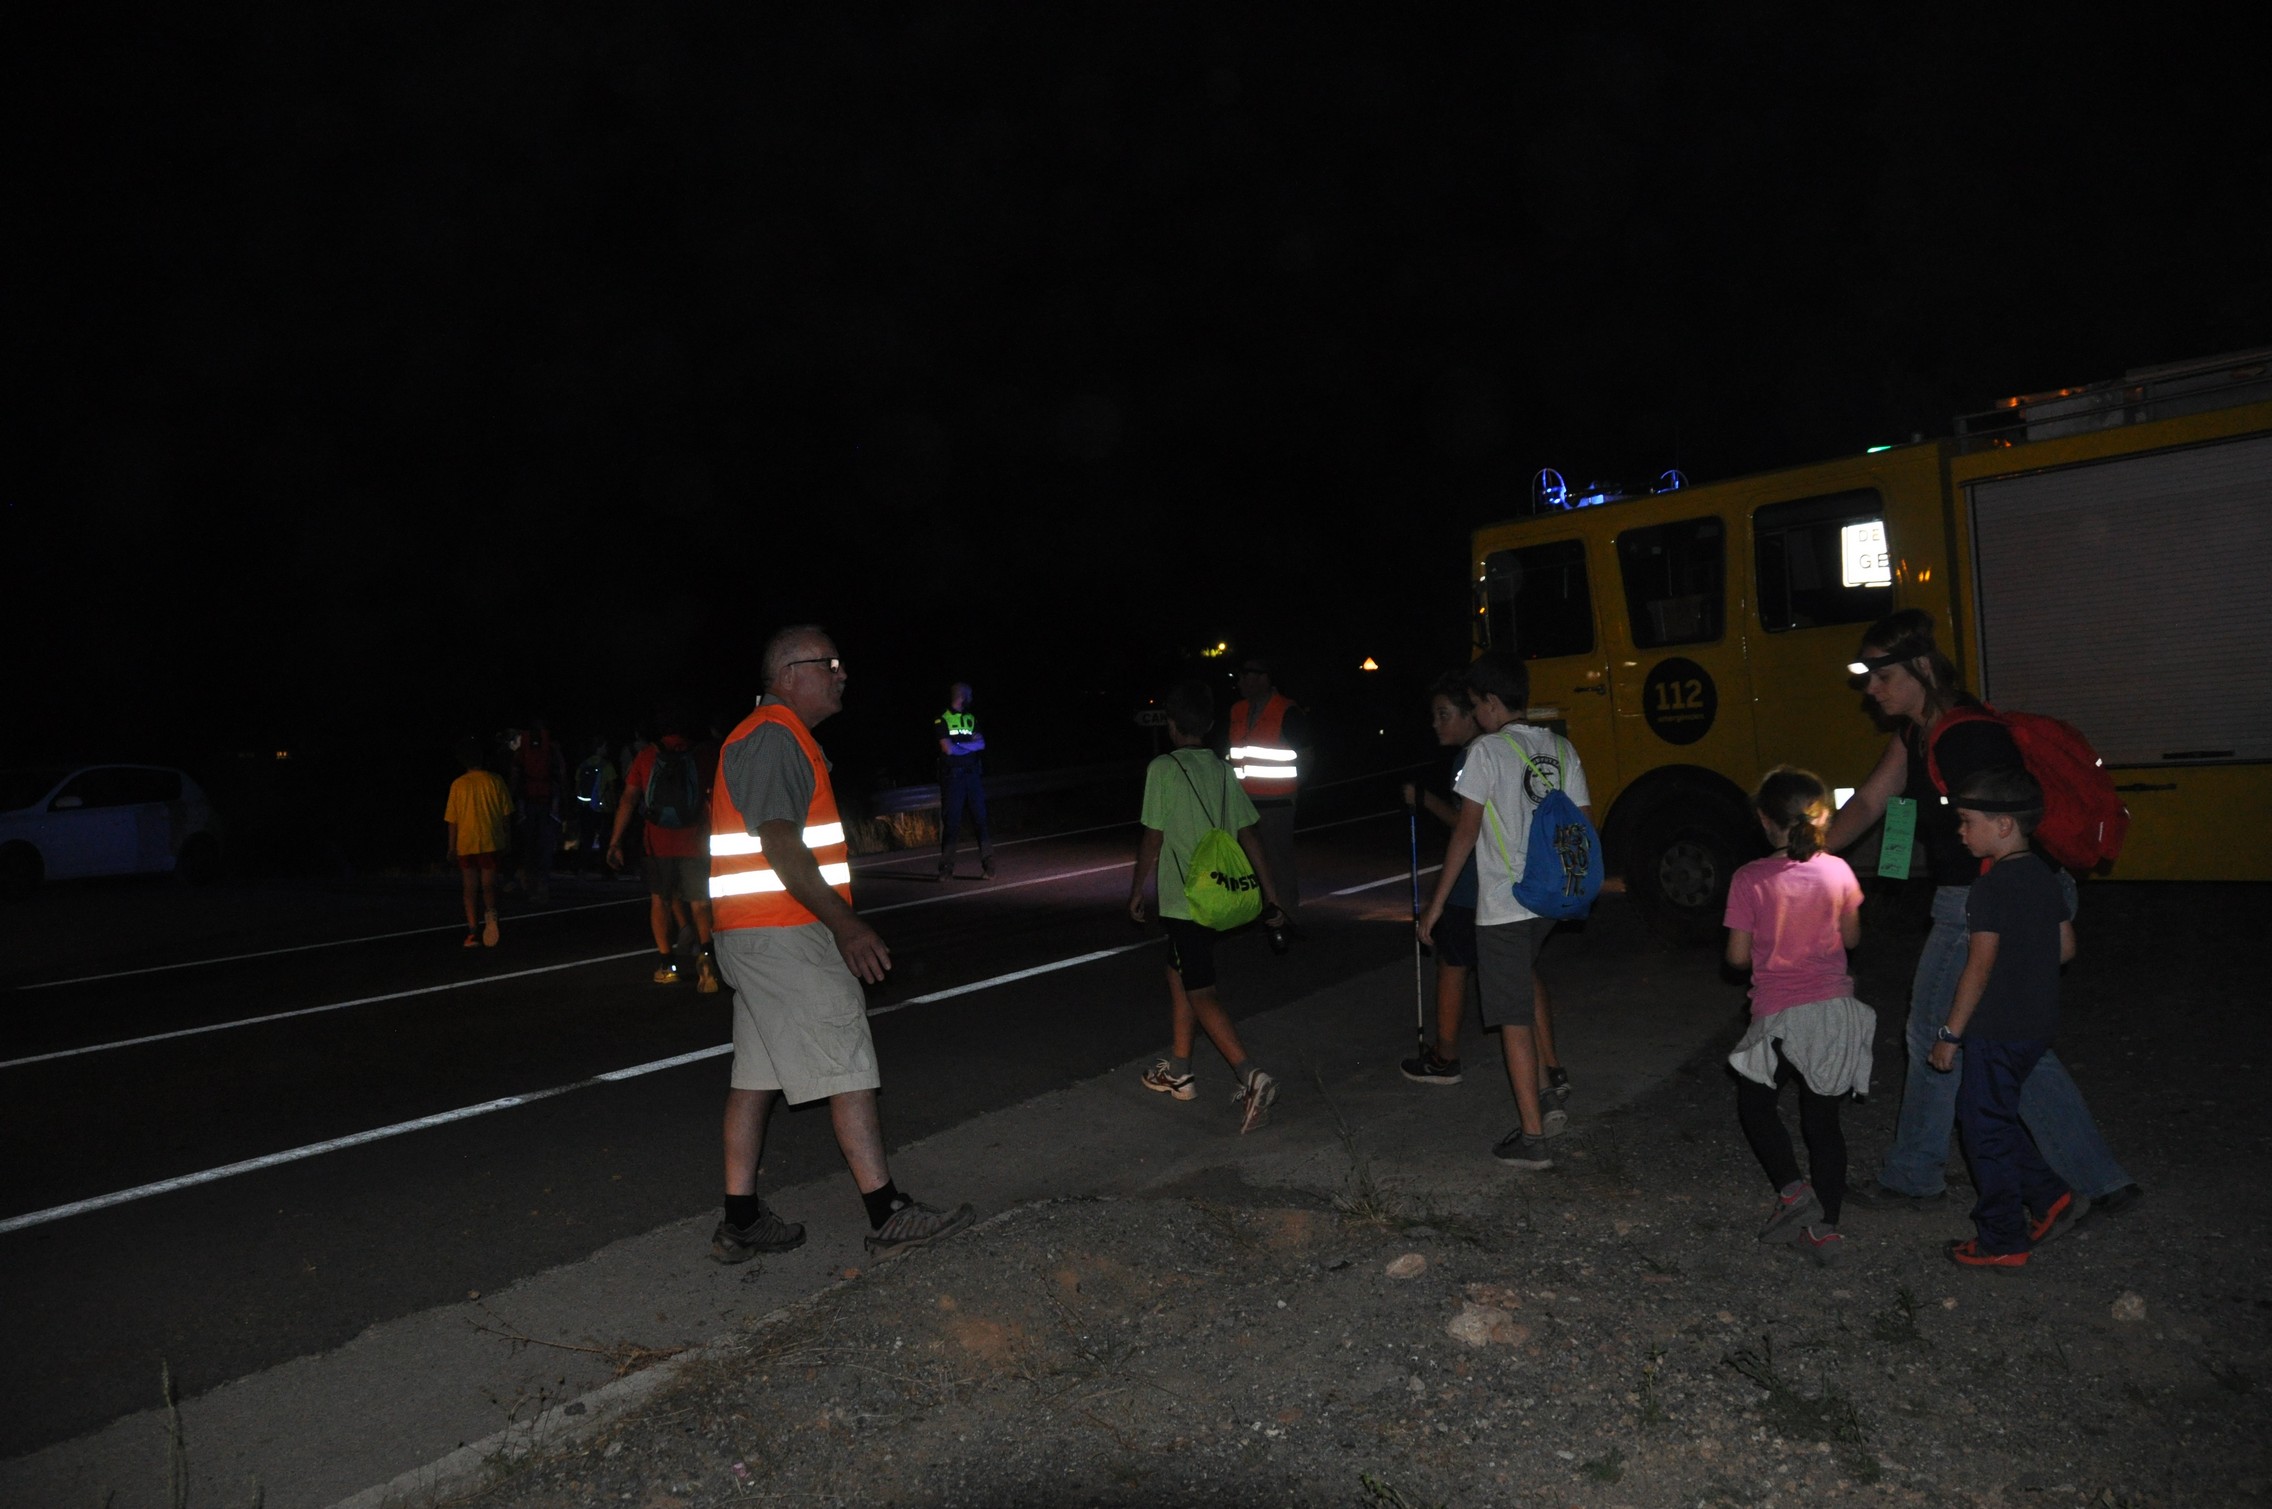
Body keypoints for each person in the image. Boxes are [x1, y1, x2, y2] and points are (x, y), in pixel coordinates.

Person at [1823, 610, 2140, 1214]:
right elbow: (1873, 802)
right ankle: (2102, 1181)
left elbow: (2010, 833)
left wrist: (2004, 912)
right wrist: (1810, 855)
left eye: (1882, 676)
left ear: (1921, 667)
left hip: (1992, 897)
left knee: (1933, 1031)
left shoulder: (1966, 737)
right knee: (2001, 1038)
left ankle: (1913, 1178)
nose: (1871, 690)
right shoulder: (1917, 733)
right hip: (1998, 895)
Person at [706, 625, 974, 1262]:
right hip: (785, 932)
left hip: (756, 934)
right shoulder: (773, 737)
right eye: (829, 664)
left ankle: (741, 1219)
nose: (841, 673)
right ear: (788, 674)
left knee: (756, 1078)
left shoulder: (772, 736)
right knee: (847, 1059)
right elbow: (780, 843)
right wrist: (845, 924)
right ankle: (887, 1213)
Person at [1416, 652, 1587, 1168]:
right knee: (1520, 990)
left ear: (1491, 702)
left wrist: (1436, 906)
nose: (1475, 714)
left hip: (1504, 904)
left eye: (1475, 705)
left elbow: (1465, 833)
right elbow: (1582, 824)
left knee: (1511, 1016)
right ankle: (1548, 1094)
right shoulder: (1561, 747)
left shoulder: (1486, 752)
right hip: (1549, 901)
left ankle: (1532, 1138)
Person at [1930, 766, 2091, 1270]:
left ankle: (2002, 1238)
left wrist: (1950, 1034)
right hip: (2036, 1024)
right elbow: (2065, 948)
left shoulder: (1990, 887)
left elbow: (1978, 967)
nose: (1961, 831)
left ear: (2003, 825)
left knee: (1984, 1131)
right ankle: (2050, 1197)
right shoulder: (2043, 875)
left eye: (1967, 820)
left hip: (1997, 1029)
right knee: (1993, 1119)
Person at [1724, 767, 1874, 1269]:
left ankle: (1792, 1191)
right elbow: (1852, 939)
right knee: (1823, 1122)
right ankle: (1824, 1228)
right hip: (1834, 1013)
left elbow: (1737, 958)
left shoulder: (1749, 878)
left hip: (1782, 1017)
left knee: (1755, 1104)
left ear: (1765, 820)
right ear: (1822, 816)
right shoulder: (1839, 871)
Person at [1129, 679, 1293, 1134]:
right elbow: (1248, 833)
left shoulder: (1163, 768)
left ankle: (1251, 1075)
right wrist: (1271, 895)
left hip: (1185, 902)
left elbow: (1153, 837)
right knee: (1177, 972)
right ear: (1209, 724)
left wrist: (1137, 888)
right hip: (1219, 896)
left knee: (1201, 990)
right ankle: (1180, 1071)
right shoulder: (1222, 770)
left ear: (1171, 724)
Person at [606, 709, 720, 992]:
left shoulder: (647, 756)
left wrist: (615, 842)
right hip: (695, 840)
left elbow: (628, 799)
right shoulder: (702, 755)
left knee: (660, 901)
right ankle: (707, 958)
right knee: (700, 903)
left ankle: (667, 965)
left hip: (657, 842)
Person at [1227, 658, 1311, 921]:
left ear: (1263, 678)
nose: (1240, 681)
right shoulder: (1238, 710)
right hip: (1243, 801)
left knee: (1278, 861)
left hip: (1276, 802)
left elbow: (1307, 755)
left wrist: (1291, 789)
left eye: (1245, 675)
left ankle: (1286, 915)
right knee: (1249, 862)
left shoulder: (1286, 710)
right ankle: (1260, 912)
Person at [442, 739, 513, 949]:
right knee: (489, 885)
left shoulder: (458, 784)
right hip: (490, 840)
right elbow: (506, 815)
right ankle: (491, 916)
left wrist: (451, 847)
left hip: (466, 843)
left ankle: (472, 931)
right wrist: (507, 839)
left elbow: (452, 820)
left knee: (469, 888)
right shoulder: (495, 781)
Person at [934, 681, 994, 880]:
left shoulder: (971, 718)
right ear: (962, 696)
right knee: (951, 823)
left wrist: (958, 745)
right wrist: (968, 746)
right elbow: (947, 748)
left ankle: (989, 866)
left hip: (972, 776)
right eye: (970, 695)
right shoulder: (943, 718)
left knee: (980, 820)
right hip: (953, 778)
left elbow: (981, 744)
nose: (972, 699)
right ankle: (946, 869)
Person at [510, 718, 567, 903]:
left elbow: (515, 775)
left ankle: (529, 884)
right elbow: (561, 774)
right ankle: (542, 886)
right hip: (548, 803)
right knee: (544, 846)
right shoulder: (551, 748)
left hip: (526, 803)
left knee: (528, 845)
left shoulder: (522, 750)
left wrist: (514, 800)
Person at [569, 735, 619, 877]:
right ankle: (606, 870)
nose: (607, 749)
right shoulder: (607, 766)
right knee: (604, 840)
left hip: (585, 807)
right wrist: (614, 806)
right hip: (603, 808)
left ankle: (580, 867)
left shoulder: (583, 765)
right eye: (605, 746)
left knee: (586, 838)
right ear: (599, 747)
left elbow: (577, 787)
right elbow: (612, 788)